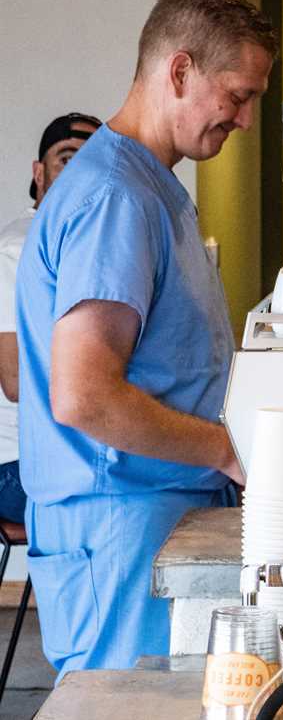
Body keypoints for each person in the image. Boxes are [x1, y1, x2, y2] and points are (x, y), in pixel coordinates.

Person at [15, 0, 275, 675]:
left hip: (154, 514)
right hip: (121, 523)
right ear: (181, 69)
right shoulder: (113, 197)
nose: (245, 120)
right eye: (239, 95)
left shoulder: (154, 187)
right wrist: (224, 447)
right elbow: (85, 395)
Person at [0, 113, 102, 524]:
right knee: (131, 504)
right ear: (38, 173)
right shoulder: (17, 250)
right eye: (66, 160)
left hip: (73, 453)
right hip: (18, 466)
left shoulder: (87, 245)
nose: (79, 174)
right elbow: (14, 381)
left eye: (91, 163)